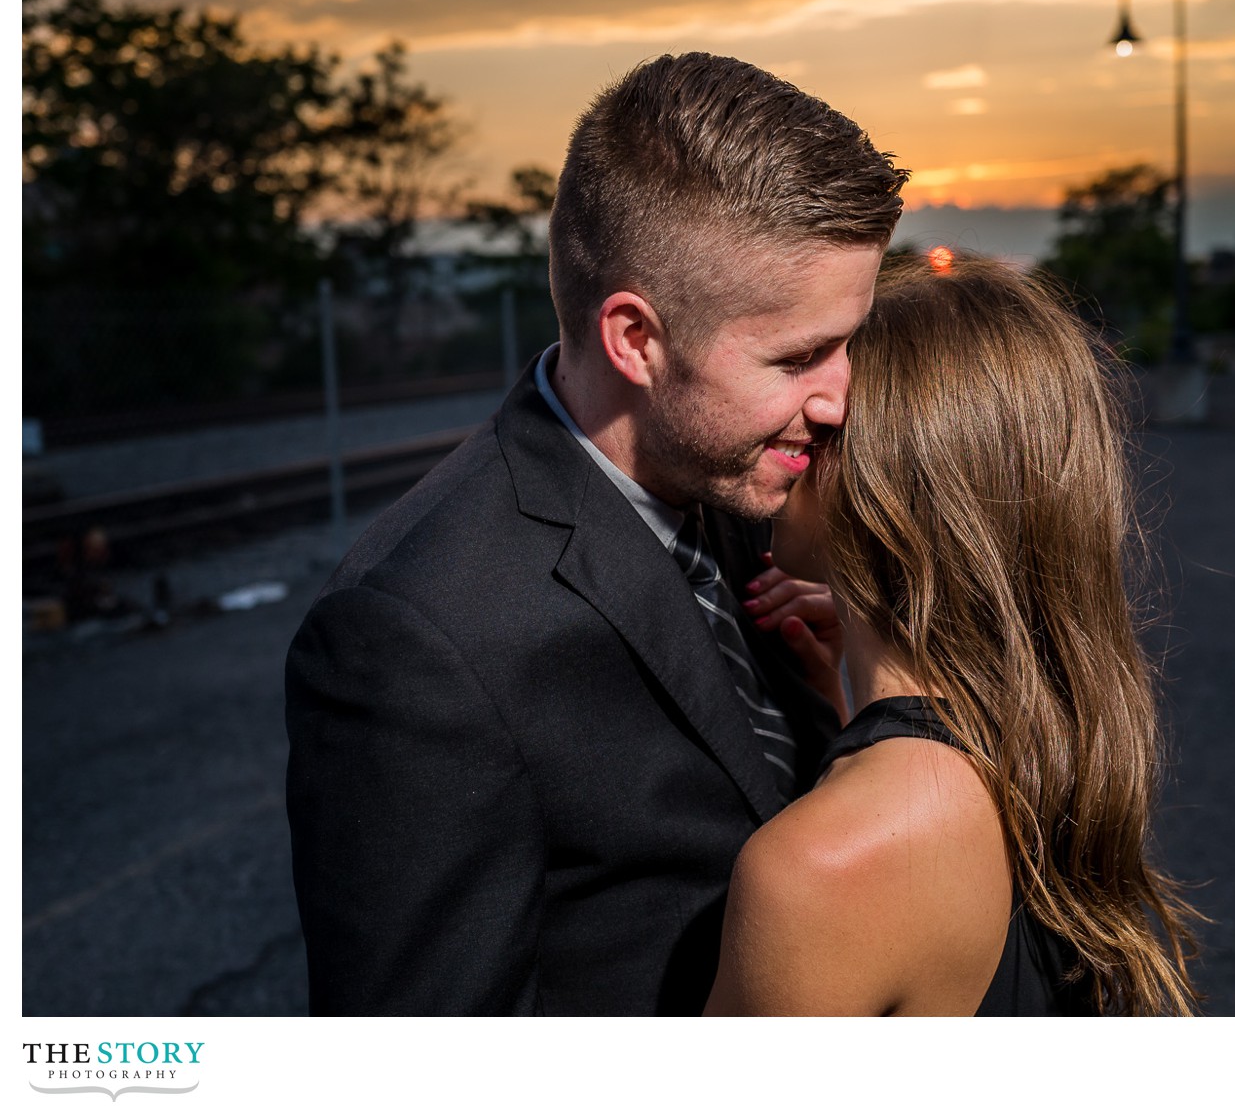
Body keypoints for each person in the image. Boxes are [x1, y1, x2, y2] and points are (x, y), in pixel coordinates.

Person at [284, 53, 907, 1015]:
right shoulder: (415, 636)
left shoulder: (748, 488)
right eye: (799, 357)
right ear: (636, 340)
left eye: (849, 341)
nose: (841, 397)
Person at [704, 255, 1202, 1016]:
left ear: (890, 467)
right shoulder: (1041, 740)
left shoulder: (821, 865)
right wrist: (842, 705)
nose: (793, 423)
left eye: (825, 404)